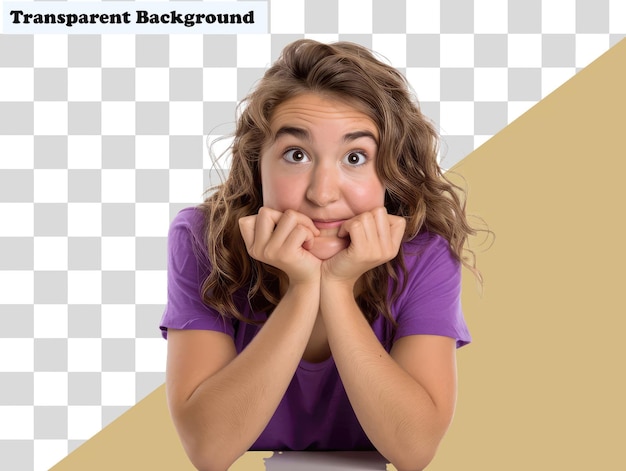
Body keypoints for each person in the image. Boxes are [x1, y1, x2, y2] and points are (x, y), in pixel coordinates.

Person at [160, 39, 483, 471]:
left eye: (355, 157)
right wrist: (303, 287)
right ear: (258, 165)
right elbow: (209, 450)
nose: (323, 193)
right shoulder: (202, 239)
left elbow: (413, 451)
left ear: (391, 171)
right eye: (296, 155)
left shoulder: (424, 254)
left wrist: (337, 285)